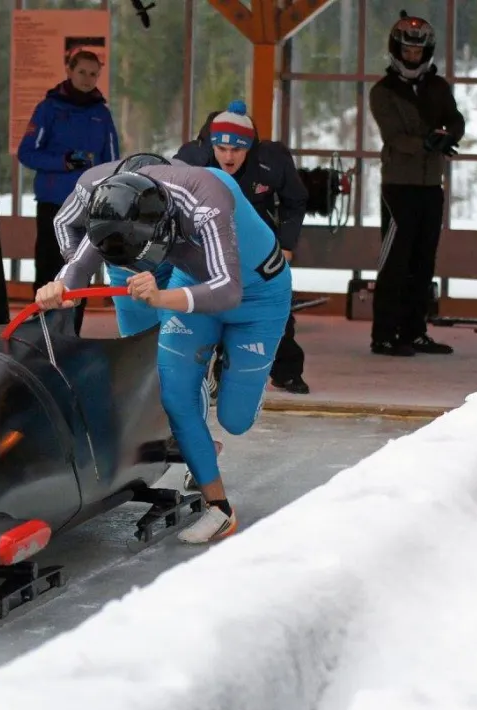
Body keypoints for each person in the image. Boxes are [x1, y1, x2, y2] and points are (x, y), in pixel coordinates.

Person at [35, 165, 293, 544]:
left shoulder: (207, 204)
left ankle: (233, 370)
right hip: (192, 284)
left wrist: (160, 298)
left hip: (255, 296)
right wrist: (55, 289)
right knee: (175, 396)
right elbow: (78, 267)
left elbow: (227, 290)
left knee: (235, 419)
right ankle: (219, 508)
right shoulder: (115, 205)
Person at [176, 100, 311, 394]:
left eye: (237, 150)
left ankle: (286, 370)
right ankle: (206, 374)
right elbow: (169, 201)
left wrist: (286, 244)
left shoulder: (272, 161)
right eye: (221, 149)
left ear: (250, 148)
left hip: (259, 241)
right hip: (206, 240)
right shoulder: (192, 159)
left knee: (273, 305)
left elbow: (296, 200)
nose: (228, 156)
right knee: (206, 309)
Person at [368, 12, 464, 357]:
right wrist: (428, 141)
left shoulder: (439, 87)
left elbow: (455, 118)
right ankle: (384, 334)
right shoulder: (382, 92)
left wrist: (450, 135)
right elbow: (394, 136)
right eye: (407, 51)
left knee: (423, 262)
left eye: (417, 52)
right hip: (399, 187)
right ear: (397, 50)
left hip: (430, 185)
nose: (412, 56)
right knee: (395, 262)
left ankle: (414, 331)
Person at [18, 50, 120, 334]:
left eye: (93, 74)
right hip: (53, 204)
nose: (88, 79)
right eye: (82, 72)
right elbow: (26, 153)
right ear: (69, 70)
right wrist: (62, 161)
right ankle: (39, 334)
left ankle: (72, 334)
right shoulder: (49, 109)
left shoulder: (102, 114)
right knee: (48, 267)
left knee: (80, 268)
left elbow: (113, 161)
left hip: (88, 207)